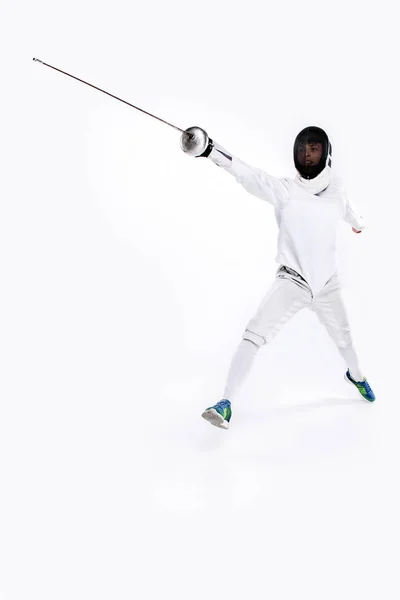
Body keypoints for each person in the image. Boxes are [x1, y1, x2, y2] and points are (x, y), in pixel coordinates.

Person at [181, 126, 375, 430]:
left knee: (345, 340)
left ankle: (357, 376)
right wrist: (209, 149)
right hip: (293, 281)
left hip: (327, 285)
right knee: (254, 333)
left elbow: (350, 211)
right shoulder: (285, 191)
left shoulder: (337, 188)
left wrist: (360, 225)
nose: (308, 155)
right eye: (303, 150)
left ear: (326, 154)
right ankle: (226, 402)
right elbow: (246, 173)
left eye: (314, 149)